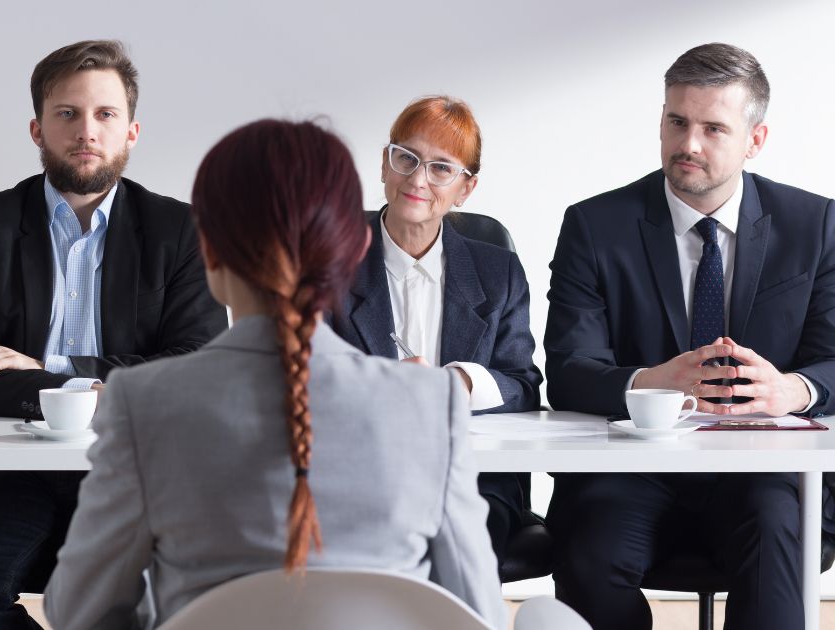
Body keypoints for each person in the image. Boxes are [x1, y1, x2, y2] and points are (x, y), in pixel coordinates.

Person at [44, 119, 507, 629]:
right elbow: (477, 613)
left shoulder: (141, 402)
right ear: (354, 251)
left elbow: (79, 612)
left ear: (209, 253)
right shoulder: (431, 404)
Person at [0, 39, 227, 629]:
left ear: (131, 131)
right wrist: (111, 382)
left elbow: (196, 367)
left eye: (105, 115)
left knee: (164, 610)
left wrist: (45, 366)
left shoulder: (180, 230)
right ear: (37, 129)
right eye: (68, 114)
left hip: (133, 467)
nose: (87, 131)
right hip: (12, 467)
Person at [544, 42, 835, 630]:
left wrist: (794, 391)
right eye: (677, 122)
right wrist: (651, 383)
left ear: (755, 140)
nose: (689, 144)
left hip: (763, 471)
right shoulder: (593, 226)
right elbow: (569, 369)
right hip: (629, 469)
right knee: (590, 551)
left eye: (713, 128)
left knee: (780, 533)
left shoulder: (817, 225)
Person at [330, 95, 542, 568]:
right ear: (384, 165)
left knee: (458, 543)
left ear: (466, 188)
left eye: (441, 168)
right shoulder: (329, 259)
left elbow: (524, 385)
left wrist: (462, 383)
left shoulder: (497, 271)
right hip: (360, 473)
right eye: (405, 158)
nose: (417, 180)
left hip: (471, 477)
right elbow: (299, 377)